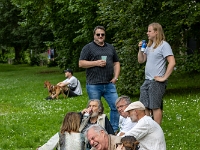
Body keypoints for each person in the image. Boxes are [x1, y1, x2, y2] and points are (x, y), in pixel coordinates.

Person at [79, 25, 120, 132]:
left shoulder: (110, 47)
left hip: (109, 83)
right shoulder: (88, 48)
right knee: (93, 110)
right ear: (94, 35)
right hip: (94, 84)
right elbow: (81, 63)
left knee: (116, 106)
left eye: (102, 34)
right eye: (98, 34)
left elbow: (116, 62)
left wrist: (115, 77)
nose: (100, 36)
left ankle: (113, 129)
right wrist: (96, 63)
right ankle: (93, 129)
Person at [137, 22, 176, 124]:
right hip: (147, 80)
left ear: (156, 32)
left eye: (149, 31)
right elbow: (141, 60)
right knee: (144, 105)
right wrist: (140, 50)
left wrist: (164, 77)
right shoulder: (149, 46)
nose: (147, 33)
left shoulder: (164, 45)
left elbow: (172, 62)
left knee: (155, 106)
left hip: (156, 81)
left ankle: (156, 130)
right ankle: (147, 127)